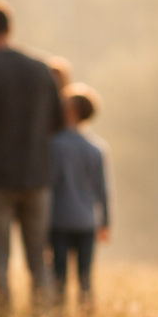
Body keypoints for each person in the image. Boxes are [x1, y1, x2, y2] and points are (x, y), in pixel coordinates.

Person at [0, 0, 65, 312]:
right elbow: (58, 121)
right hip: (37, 177)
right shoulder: (41, 70)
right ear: (10, 28)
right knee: (38, 256)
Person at [49, 83, 111, 304]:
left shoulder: (55, 145)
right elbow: (102, 190)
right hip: (86, 221)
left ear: (72, 110)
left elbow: (50, 183)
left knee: (59, 278)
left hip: (59, 220)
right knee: (85, 278)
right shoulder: (96, 148)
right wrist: (106, 223)